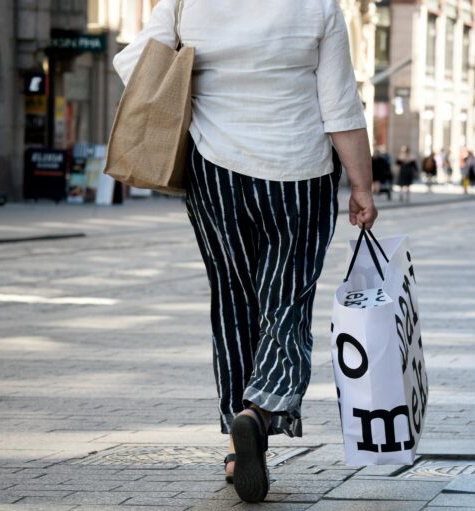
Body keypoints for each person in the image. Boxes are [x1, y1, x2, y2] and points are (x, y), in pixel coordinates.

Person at [113, 0, 377, 502]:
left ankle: (237, 446)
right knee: (286, 300)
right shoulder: (319, 6)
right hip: (299, 173)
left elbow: (135, 63)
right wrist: (361, 186)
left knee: (232, 299)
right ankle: (259, 408)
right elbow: (340, 104)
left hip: (214, 169)